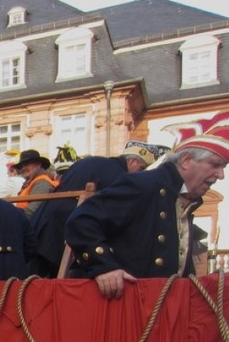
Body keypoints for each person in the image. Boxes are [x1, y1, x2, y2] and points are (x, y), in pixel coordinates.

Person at [65, 111, 229, 299]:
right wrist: (104, 267)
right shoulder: (143, 184)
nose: (221, 175)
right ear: (186, 161)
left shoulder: (181, 199)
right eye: (215, 165)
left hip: (158, 307)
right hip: (126, 306)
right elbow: (81, 221)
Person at [30, 146, 157, 277]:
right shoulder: (120, 176)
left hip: (45, 219)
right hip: (66, 227)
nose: (140, 174)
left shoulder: (90, 161)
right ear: (133, 162)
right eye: (141, 169)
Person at [13, 149, 58, 216]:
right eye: (21, 166)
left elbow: (31, 213)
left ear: (38, 164)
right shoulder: (32, 182)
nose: (23, 168)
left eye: (27, 164)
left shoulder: (42, 183)